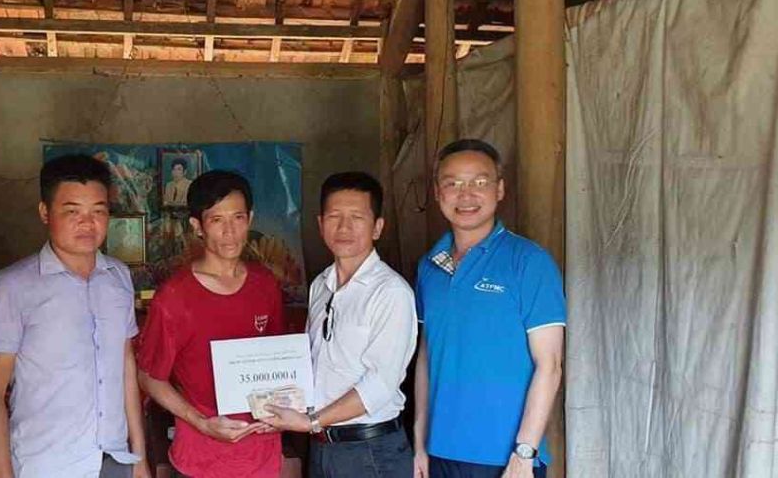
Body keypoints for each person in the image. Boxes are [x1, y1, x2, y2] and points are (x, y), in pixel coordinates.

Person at [0, 154, 150, 478]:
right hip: (47, 464)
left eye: (98, 211)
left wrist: (138, 457)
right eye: (72, 211)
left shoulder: (118, 278)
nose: (87, 223)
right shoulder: (12, 287)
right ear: (45, 212)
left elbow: (125, 365)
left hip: (115, 461)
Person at [413, 139, 566, 478]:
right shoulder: (429, 267)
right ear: (437, 193)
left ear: (499, 190)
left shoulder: (529, 262)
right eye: (453, 183)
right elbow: (426, 355)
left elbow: (550, 364)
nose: (466, 195)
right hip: (440, 452)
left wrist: (524, 453)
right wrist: (420, 443)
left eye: (479, 182)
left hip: (505, 457)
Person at [260, 172, 417, 478]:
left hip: (370, 452)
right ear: (320, 224)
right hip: (323, 446)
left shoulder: (391, 292)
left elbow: (380, 384)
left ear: (377, 227)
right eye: (334, 216)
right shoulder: (321, 285)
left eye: (357, 217)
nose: (344, 227)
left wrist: (312, 421)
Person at [137, 170, 285, 478]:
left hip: (262, 456)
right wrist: (202, 423)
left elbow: (279, 358)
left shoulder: (265, 284)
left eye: (238, 218)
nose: (230, 231)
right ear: (197, 226)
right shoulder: (175, 297)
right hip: (201, 459)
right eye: (217, 220)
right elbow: (150, 377)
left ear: (250, 219)